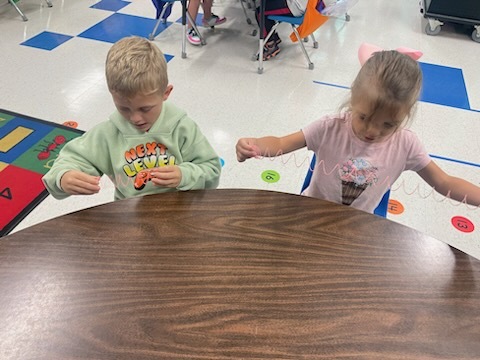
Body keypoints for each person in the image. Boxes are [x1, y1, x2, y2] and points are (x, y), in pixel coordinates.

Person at [236, 44, 480, 213]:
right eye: (363, 117)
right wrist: (254, 144)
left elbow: (444, 182)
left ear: (406, 114)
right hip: (310, 216)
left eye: (388, 124)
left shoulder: (406, 144)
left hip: (358, 227)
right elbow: (280, 143)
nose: (372, 131)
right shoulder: (329, 127)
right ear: (353, 96)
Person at [43, 36, 221, 201]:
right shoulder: (107, 134)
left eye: (145, 108)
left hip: (181, 210)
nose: (135, 118)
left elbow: (211, 171)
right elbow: (67, 163)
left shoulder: (182, 127)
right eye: (124, 108)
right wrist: (63, 178)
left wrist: (184, 175)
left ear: (165, 93)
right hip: (130, 216)